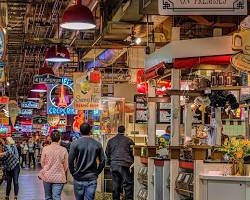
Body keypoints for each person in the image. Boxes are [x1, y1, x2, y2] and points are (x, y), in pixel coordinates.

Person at [69, 123, 105, 200]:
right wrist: (97, 172)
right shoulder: (97, 144)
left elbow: (70, 161)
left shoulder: (74, 144)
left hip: (78, 178)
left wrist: (73, 173)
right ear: (90, 131)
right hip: (91, 178)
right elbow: (103, 161)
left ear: (80, 131)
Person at [105, 125, 135, 200]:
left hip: (114, 164)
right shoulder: (129, 140)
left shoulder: (111, 140)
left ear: (117, 131)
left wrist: (110, 160)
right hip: (125, 164)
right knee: (127, 185)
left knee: (115, 185)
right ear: (124, 131)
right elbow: (133, 152)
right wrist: (132, 160)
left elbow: (107, 152)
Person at [39, 130, 68, 200]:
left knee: (48, 197)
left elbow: (42, 163)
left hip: (47, 176)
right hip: (59, 177)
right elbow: (66, 165)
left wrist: (47, 168)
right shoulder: (64, 150)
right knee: (56, 197)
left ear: (51, 138)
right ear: (60, 138)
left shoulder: (45, 149)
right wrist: (60, 170)